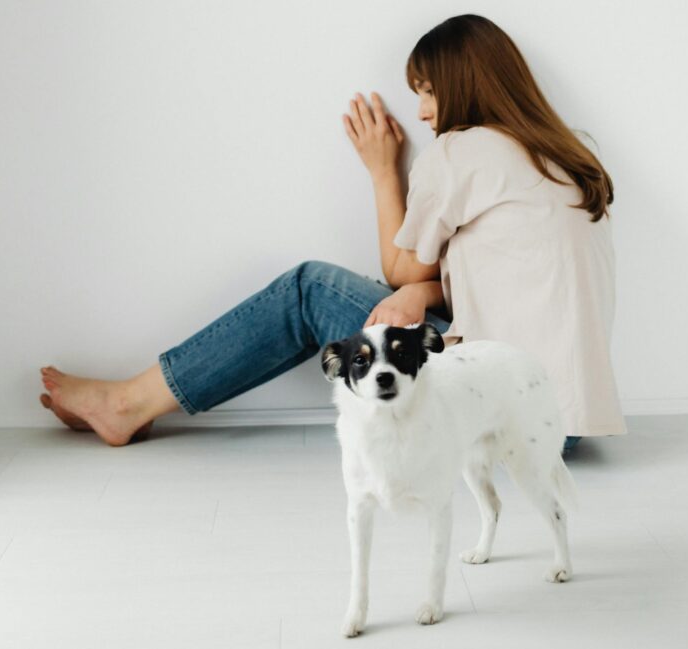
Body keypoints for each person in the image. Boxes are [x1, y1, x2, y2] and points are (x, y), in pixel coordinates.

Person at [40, 14, 626, 452]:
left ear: (464, 84)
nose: (422, 112)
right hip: (562, 425)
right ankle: (134, 402)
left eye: (427, 89)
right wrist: (422, 292)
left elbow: (400, 270)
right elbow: (511, 288)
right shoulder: (569, 160)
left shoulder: (466, 150)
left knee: (309, 288)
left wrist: (381, 171)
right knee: (387, 295)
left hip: (495, 419)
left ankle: (127, 403)